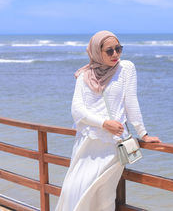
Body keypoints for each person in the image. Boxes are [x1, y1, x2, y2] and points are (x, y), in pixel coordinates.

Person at [55, 30, 161, 211]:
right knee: (75, 190)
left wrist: (143, 133)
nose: (116, 55)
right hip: (87, 143)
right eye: (109, 51)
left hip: (113, 145)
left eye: (118, 49)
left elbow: (131, 102)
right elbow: (77, 110)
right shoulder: (84, 75)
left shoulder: (126, 68)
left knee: (104, 197)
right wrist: (103, 123)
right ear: (96, 51)